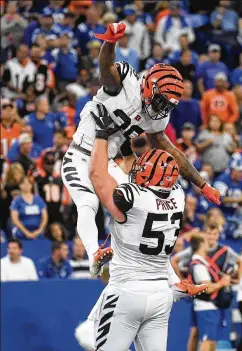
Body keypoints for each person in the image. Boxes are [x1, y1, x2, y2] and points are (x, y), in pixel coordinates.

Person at [61, 21, 221, 275]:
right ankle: (94, 253)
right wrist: (110, 43)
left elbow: (171, 150)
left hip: (110, 162)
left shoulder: (157, 116)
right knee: (88, 201)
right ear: (149, 87)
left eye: (167, 105)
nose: (161, 109)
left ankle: (170, 277)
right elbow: (105, 69)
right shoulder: (127, 84)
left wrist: (202, 184)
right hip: (80, 155)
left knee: (143, 210)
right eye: (160, 101)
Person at [88, 117, 207, 351]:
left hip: (127, 289)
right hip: (159, 293)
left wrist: (102, 135)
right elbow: (150, 176)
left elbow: (97, 176)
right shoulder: (177, 196)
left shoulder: (133, 196)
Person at [187, 234, 231, 351]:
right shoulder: (198, 264)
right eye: (206, 241)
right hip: (205, 306)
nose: (209, 244)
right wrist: (222, 283)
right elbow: (206, 288)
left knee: (211, 339)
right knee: (206, 339)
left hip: (209, 306)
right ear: (201, 243)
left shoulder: (202, 262)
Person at [34, 149, 64, 224]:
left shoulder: (58, 179)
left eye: (52, 163)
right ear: (43, 163)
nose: (50, 166)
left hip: (56, 211)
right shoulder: (38, 178)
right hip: (43, 212)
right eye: (48, 163)